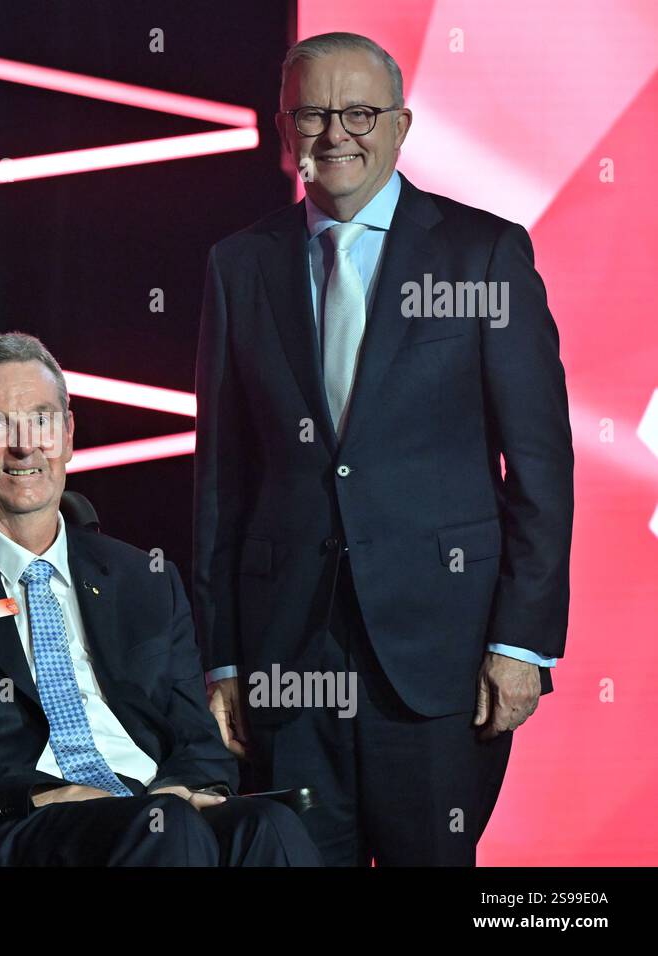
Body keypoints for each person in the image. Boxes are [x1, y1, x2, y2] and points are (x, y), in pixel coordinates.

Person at [192, 32, 573, 865]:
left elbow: (539, 466)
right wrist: (220, 655)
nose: (336, 135)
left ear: (401, 126)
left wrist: (522, 643)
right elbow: (222, 476)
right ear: (285, 128)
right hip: (285, 658)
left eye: (359, 113)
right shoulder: (238, 265)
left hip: (441, 657)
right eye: (313, 114)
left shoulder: (484, 254)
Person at [0, 334, 320, 866]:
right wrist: (39, 794)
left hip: (149, 805)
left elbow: (199, 742)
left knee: (268, 826)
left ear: (68, 435)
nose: (26, 446)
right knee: (165, 834)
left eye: (43, 420)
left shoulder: (144, 578)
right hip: (7, 823)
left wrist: (181, 790)